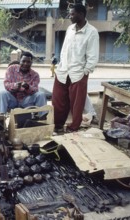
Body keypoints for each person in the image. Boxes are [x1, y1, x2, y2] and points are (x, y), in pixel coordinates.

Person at [52, 3, 99, 132]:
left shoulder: (92, 32)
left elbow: (93, 56)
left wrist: (85, 72)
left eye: (72, 14)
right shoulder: (70, 29)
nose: (70, 16)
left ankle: (73, 127)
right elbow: (64, 49)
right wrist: (60, 65)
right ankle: (57, 125)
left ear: (81, 14)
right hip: (63, 71)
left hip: (79, 73)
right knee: (58, 101)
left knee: (77, 104)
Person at [0, 51, 46, 116]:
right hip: (13, 99)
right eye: (23, 61)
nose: (25, 64)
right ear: (20, 61)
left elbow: (35, 89)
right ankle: (1, 117)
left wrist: (28, 87)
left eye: (28, 62)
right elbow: (6, 84)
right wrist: (15, 86)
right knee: (2, 93)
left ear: (31, 63)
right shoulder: (11, 69)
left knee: (41, 94)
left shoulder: (35, 75)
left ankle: (42, 117)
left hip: (26, 101)